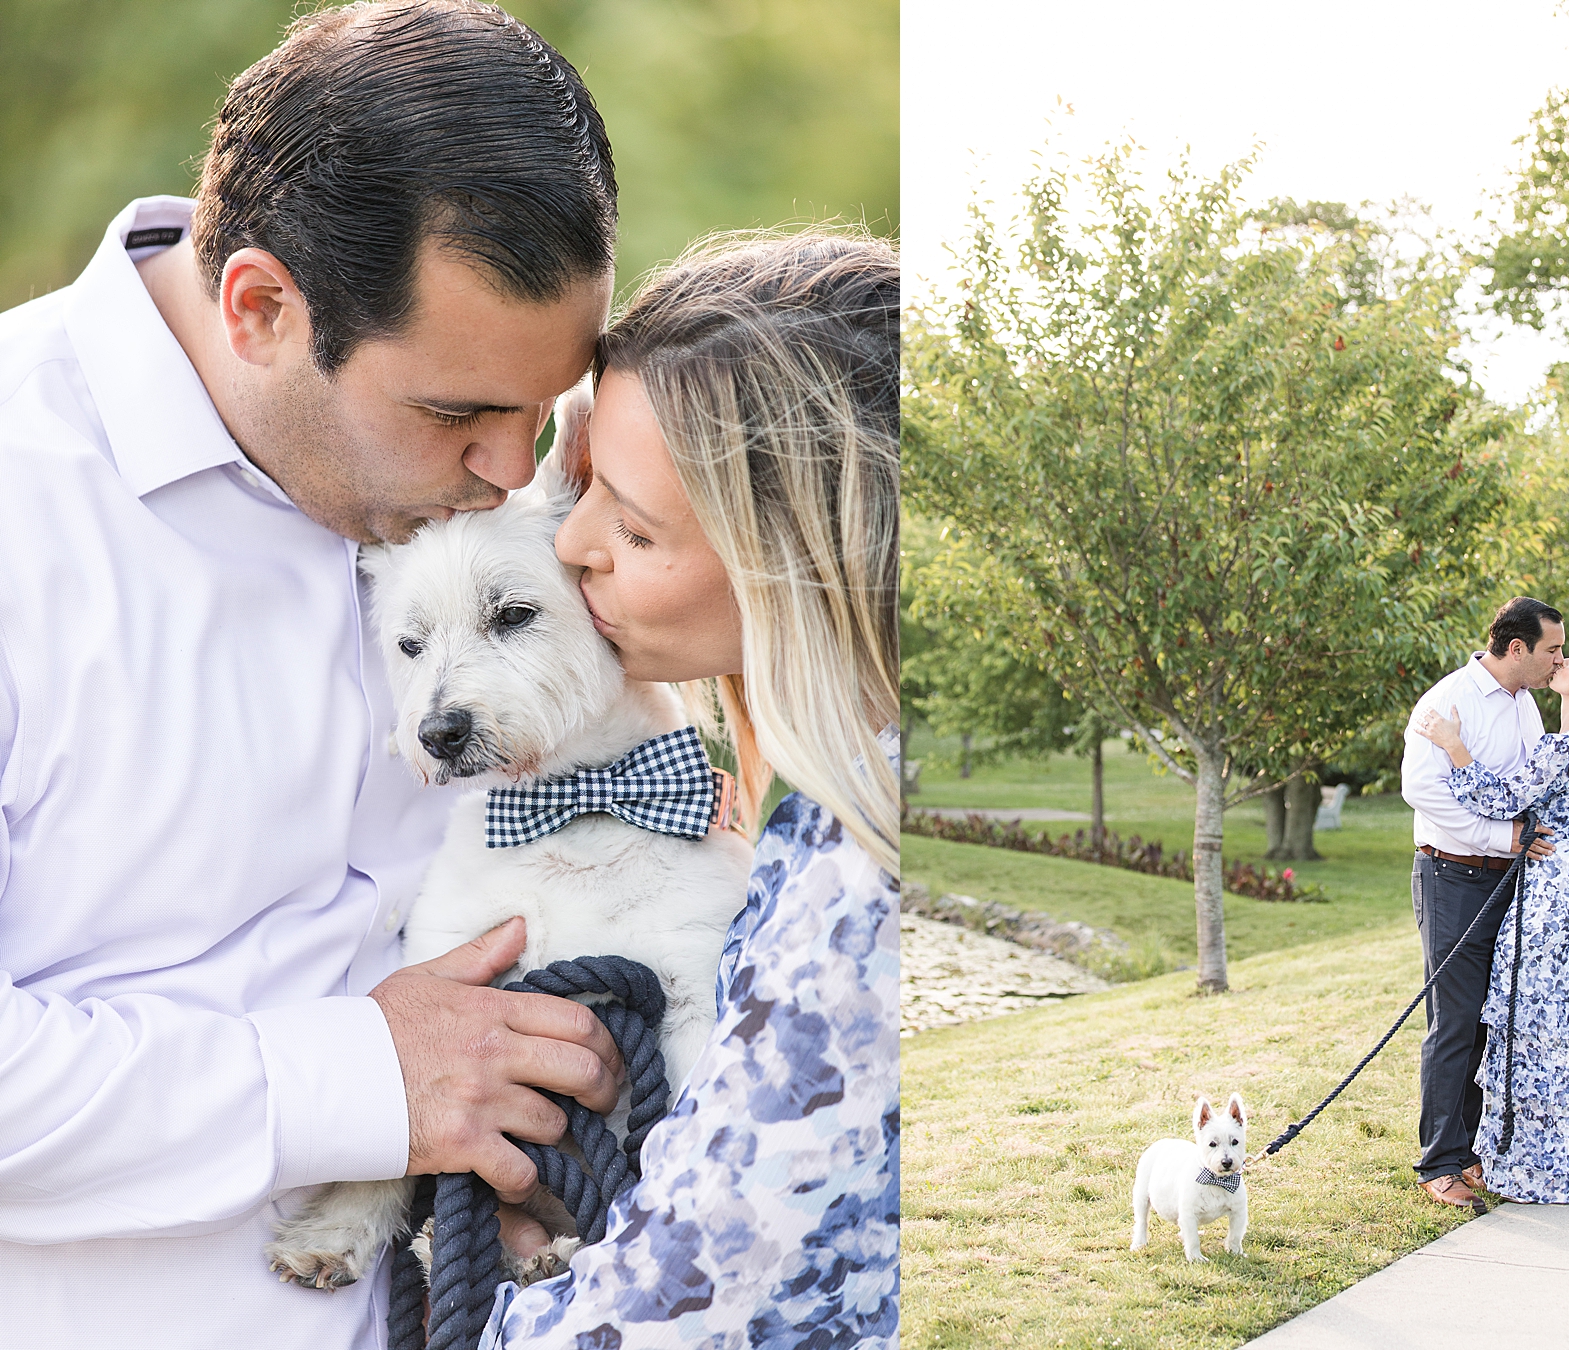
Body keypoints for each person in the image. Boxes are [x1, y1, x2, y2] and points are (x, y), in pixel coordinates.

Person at [0, 5, 633, 1345]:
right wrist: (362, 1077)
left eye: (541, 409)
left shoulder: (545, 511)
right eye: (459, 412)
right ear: (263, 308)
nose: (515, 472)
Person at [478, 231, 900, 1347]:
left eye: (633, 523)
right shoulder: (812, 824)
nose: (574, 546)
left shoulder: (853, 887)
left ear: (789, 559)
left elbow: (675, 1311)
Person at [1416, 642, 1569, 1203]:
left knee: (1528, 1034)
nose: (1563, 663)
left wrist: (1453, 745)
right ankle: (1561, 1159)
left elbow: (1498, 798)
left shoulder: (1564, 750)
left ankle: (1528, 1164)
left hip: (1544, 906)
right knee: (1563, 1030)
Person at [1399, 596, 1563, 1210]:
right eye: (1552, 650)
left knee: (1491, 1022)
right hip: (1452, 877)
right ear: (1516, 648)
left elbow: (1518, 787)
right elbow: (1423, 792)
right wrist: (1504, 838)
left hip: (1508, 883)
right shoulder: (1447, 700)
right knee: (1455, 1022)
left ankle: (1468, 1154)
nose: (1559, 660)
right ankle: (1438, 1163)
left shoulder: (1527, 706)